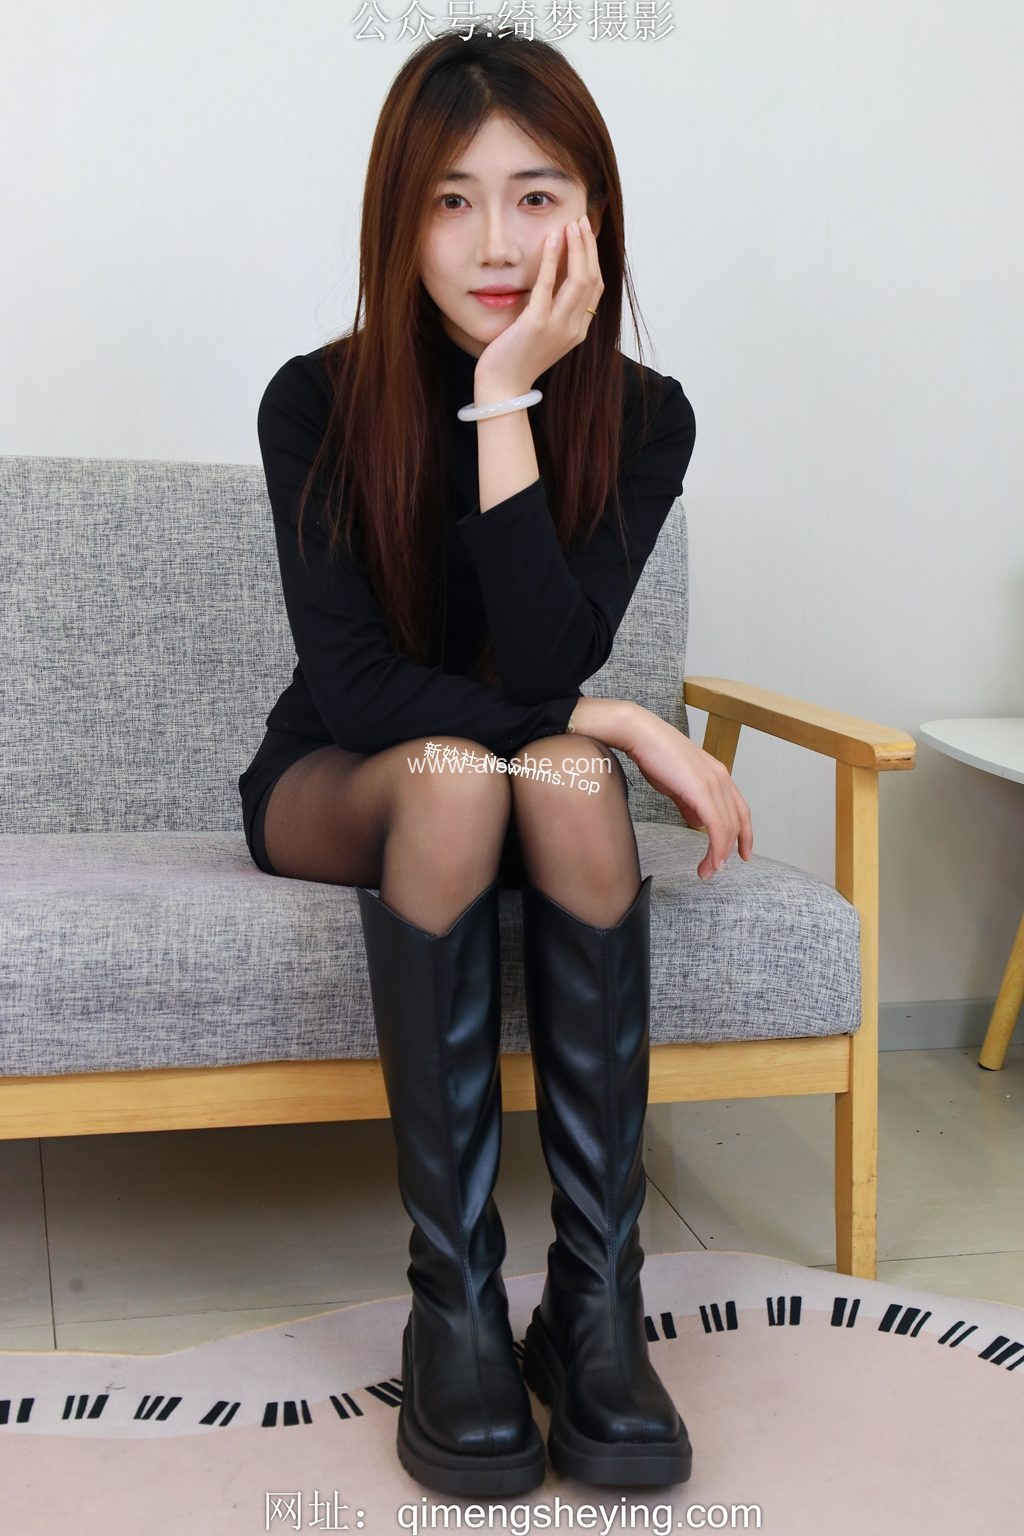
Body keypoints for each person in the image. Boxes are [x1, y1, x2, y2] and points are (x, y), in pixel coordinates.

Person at [238, 31, 752, 1499]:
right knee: (481, 765)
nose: (498, 244)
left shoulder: (645, 416)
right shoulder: (314, 400)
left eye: (537, 197)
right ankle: (454, 1305)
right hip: (345, 778)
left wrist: (509, 396)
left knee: (561, 779)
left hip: (527, 785)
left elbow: (536, 659)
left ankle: (592, 1308)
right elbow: (356, 689)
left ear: (593, 215)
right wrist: (619, 715)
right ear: (399, 221)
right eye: (452, 201)